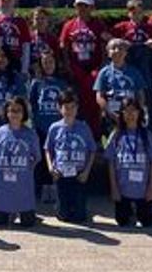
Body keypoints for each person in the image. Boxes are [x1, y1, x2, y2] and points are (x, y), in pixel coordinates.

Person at [106, 97, 152, 228]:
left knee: (147, 222)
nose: (130, 114)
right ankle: (129, 212)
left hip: (142, 190)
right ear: (121, 114)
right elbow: (111, 162)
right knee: (122, 222)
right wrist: (114, 188)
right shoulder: (116, 135)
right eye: (126, 111)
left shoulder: (147, 135)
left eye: (134, 111)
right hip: (123, 190)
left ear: (139, 113)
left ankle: (144, 212)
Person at [44, 90, 97, 223]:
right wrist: (51, 168)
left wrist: (86, 172)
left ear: (77, 108)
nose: (69, 111)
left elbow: (92, 150)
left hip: (78, 174)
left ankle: (80, 208)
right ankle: (62, 207)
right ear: (59, 108)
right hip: (61, 174)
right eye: (66, 107)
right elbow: (48, 149)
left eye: (72, 107)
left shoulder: (84, 128)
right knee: (64, 216)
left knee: (79, 217)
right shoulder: (54, 128)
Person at [58, 0, 107, 135]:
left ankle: (95, 135)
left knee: (93, 105)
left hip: (93, 70)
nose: (82, 9)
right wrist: (69, 67)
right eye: (79, 6)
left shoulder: (98, 25)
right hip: (76, 68)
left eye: (85, 6)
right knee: (77, 103)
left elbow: (104, 47)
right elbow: (64, 47)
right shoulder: (69, 25)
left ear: (92, 7)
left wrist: (100, 68)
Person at [0, 96, 40, 228]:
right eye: (11, 111)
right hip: (3, 186)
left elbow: (37, 156)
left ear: (24, 113)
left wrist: (27, 169)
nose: (15, 114)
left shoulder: (30, 134)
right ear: (6, 113)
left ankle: (22, 211)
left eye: (18, 111)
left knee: (28, 224)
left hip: (23, 186)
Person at [28, 47, 69, 204]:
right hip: (41, 126)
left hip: (58, 127)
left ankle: (56, 185)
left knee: (57, 156)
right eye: (45, 62)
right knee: (42, 160)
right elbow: (31, 104)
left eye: (51, 62)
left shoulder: (62, 83)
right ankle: (43, 187)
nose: (48, 65)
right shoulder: (37, 83)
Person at [94, 38, 148, 131]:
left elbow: (141, 94)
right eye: (113, 48)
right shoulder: (104, 72)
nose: (117, 51)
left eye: (121, 48)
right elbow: (99, 96)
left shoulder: (134, 72)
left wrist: (137, 111)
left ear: (126, 52)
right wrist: (109, 112)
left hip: (131, 115)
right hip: (112, 114)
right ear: (108, 53)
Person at [0, 0, 33, 73]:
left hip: (16, 63)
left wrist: (24, 69)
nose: (6, 3)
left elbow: (26, 46)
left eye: (9, 0)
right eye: (3, 0)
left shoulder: (20, 21)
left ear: (14, 1)